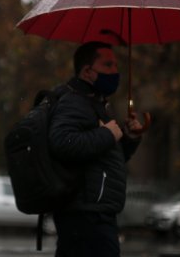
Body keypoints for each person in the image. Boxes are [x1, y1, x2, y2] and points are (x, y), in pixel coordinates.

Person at [48, 41, 144, 257]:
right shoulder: (74, 101)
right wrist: (108, 134)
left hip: (93, 212)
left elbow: (105, 161)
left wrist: (129, 139)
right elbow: (62, 143)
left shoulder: (95, 104)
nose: (115, 71)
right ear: (87, 72)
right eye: (108, 65)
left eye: (116, 65)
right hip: (85, 215)